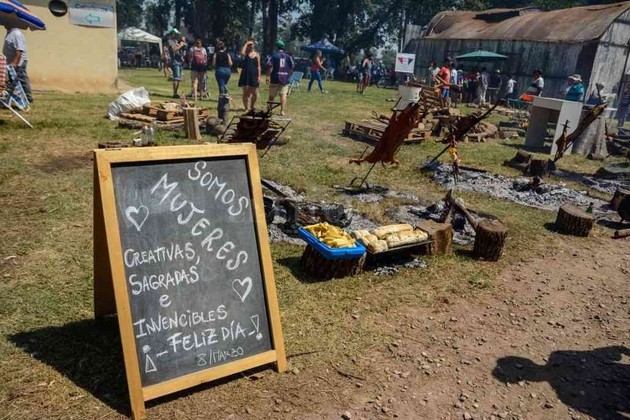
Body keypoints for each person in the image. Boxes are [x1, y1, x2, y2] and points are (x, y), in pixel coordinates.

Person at [3, 25, 32, 102]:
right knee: (12, 81)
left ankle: (28, 98)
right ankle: (9, 98)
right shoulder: (10, 33)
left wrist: (15, 63)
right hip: (11, 63)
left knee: (22, 79)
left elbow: (19, 50)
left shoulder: (16, 33)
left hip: (19, 63)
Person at [266, 40, 294, 115]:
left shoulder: (274, 56)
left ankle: (270, 110)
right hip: (285, 79)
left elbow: (270, 66)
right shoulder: (289, 57)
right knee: (283, 95)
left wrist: (268, 76)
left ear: (276, 47)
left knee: (271, 96)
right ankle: (282, 111)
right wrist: (289, 75)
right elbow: (292, 67)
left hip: (275, 78)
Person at [238, 40, 261, 111]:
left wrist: (259, 76)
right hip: (245, 75)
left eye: (252, 44)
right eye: (250, 45)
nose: (251, 46)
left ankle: (252, 106)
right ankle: (246, 107)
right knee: (246, 93)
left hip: (254, 75)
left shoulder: (257, 55)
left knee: (255, 93)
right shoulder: (245, 54)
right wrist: (246, 43)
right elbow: (242, 53)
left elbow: (258, 66)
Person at [168, 29, 187, 98]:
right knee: (176, 78)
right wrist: (180, 46)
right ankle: (174, 93)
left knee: (178, 78)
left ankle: (176, 93)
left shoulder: (176, 41)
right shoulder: (170, 41)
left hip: (180, 62)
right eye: (176, 34)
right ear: (172, 34)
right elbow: (173, 50)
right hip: (175, 62)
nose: (177, 35)